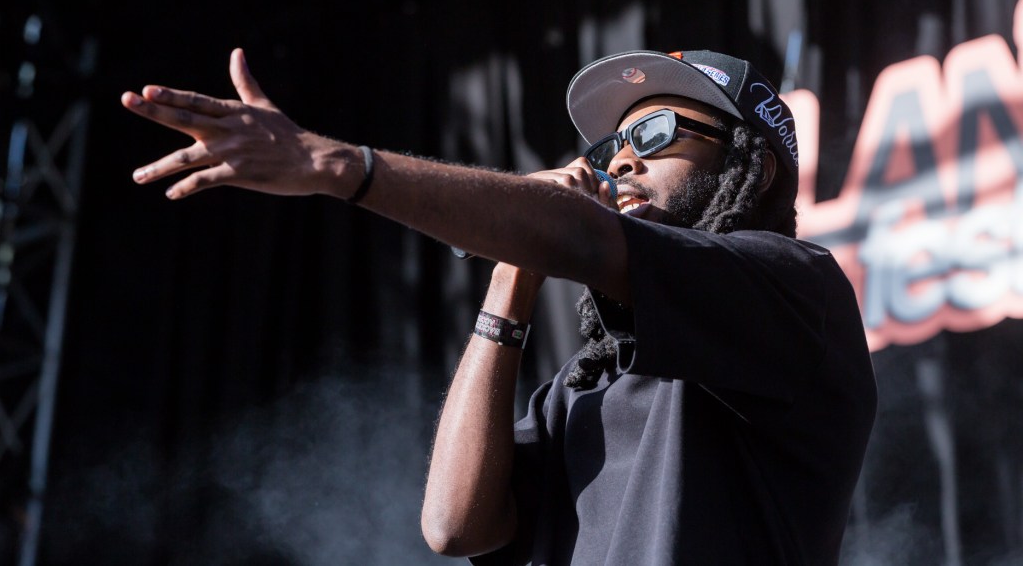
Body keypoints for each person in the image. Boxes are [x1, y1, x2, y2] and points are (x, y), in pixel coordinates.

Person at [122, 47, 877, 565]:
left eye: (655, 132)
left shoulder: (798, 291)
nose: (621, 157)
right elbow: (454, 525)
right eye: (613, 143)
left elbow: (585, 240)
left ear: (749, 163)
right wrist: (510, 275)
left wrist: (338, 166)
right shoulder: (585, 389)